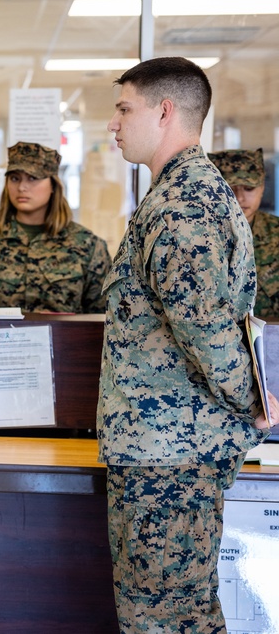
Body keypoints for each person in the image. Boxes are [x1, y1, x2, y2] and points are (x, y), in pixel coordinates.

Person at [100, 56, 274, 633]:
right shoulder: (186, 194)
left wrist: (254, 404)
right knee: (187, 613)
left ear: (165, 111)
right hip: (172, 448)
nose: (114, 123)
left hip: (169, 456)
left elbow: (207, 327)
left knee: (161, 619)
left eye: (125, 108)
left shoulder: (181, 206)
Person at [0, 141, 111, 313]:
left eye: (32, 178)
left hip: (64, 339)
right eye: (14, 178)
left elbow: (102, 317)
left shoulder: (87, 246)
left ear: (53, 185)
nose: (21, 187)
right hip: (0, 339)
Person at [208, 148, 279, 317]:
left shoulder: (277, 233)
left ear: (261, 188)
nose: (240, 198)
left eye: (248, 188)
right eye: (231, 188)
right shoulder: (201, 235)